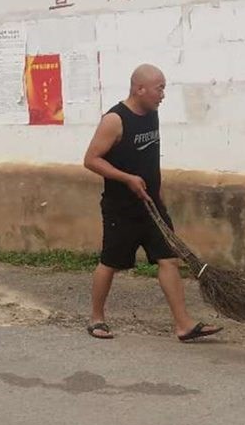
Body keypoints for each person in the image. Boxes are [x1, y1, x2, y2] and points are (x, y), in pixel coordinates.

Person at [82, 64, 222, 342]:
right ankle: (96, 318)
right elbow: (91, 160)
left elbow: (149, 159)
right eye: (160, 88)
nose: (163, 95)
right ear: (139, 89)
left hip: (152, 206)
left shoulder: (152, 114)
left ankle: (183, 325)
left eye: (164, 88)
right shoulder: (115, 120)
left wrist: (159, 195)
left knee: (168, 259)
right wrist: (127, 179)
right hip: (121, 208)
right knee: (110, 262)